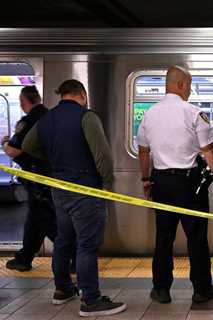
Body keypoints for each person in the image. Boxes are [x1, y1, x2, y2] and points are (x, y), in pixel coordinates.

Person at [22, 80, 126, 317]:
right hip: (85, 189)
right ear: (83, 94)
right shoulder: (86, 117)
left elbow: (28, 145)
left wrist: (53, 161)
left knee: (63, 240)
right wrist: (107, 185)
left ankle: (62, 289)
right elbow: (103, 155)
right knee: (87, 244)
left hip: (59, 188)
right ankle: (90, 299)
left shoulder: (46, 119)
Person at [137, 66, 213, 304]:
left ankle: (161, 289)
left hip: (161, 182)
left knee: (163, 237)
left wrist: (145, 179)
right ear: (182, 84)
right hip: (189, 183)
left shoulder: (149, 114)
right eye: (190, 85)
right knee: (196, 237)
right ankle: (202, 289)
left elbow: (144, 151)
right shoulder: (193, 113)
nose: (190, 90)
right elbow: (209, 152)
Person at [1, 86, 57, 272]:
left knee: (46, 219)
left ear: (24, 102)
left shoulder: (28, 121)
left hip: (36, 178)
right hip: (53, 176)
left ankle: (73, 255)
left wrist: (5, 143)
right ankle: (24, 257)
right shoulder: (51, 117)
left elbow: (14, 150)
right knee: (37, 218)